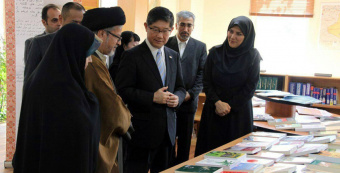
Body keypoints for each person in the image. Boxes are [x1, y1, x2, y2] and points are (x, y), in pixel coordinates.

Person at [13, 23, 101, 173]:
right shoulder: (64, 89)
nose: (90, 60)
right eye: (86, 55)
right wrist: (92, 104)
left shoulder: (38, 78)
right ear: (74, 52)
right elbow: (79, 129)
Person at [115, 6, 186, 173]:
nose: (160, 36)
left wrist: (178, 98)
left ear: (172, 29)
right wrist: (152, 97)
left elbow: (181, 87)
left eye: (165, 31)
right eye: (155, 30)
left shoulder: (173, 55)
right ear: (146, 27)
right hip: (141, 132)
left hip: (167, 132)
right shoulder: (132, 56)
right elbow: (122, 91)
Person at [194, 16, 262, 156]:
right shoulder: (215, 53)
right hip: (214, 111)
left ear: (247, 36)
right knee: (208, 157)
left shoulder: (253, 57)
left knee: (235, 158)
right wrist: (218, 103)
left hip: (238, 115)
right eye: (230, 31)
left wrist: (228, 106)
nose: (233, 37)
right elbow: (207, 82)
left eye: (239, 34)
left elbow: (250, 87)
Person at [81, 7, 132, 173]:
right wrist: (127, 120)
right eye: (117, 37)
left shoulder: (93, 59)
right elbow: (113, 109)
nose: (119, 42)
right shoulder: (92, 64)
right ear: (102, 34)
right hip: (97, 144)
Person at [165, 11, 207, 164]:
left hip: (189, 102)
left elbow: (202, 75)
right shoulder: (166, 43)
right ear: (176, 25)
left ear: (193, 27)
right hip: (168, 101)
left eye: (189, 25)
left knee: (184, 143)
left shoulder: (200, 47)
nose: (185, 28)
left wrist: (190, 94)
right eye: (182, 24)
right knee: (167, 143)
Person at [24, 2, 85, 82]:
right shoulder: (36, 42)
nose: (59, 24)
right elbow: (30, 77)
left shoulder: (76, 42)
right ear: (44, 22)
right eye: (54, 20)